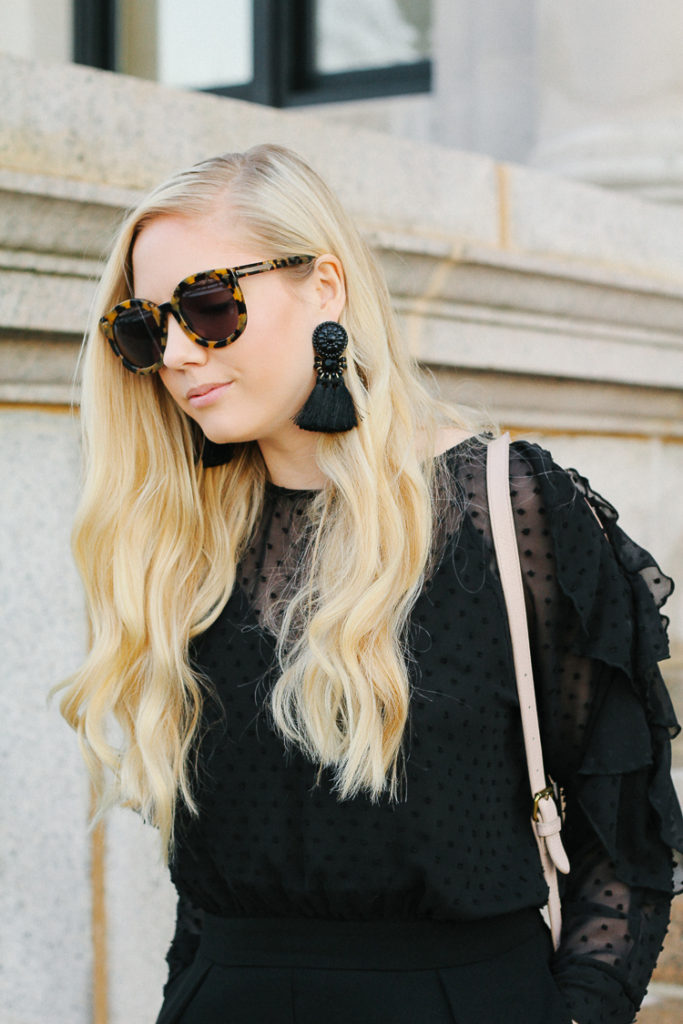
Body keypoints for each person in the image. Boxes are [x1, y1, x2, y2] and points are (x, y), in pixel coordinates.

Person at [58, 144, 682, 1024]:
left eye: (206, 305)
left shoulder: (505, 508)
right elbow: (208, 894)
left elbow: (623, 831)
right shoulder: (181, 540)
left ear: (324, 286)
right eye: (144, 327)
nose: (177, 353)